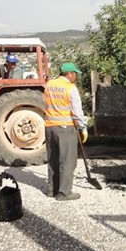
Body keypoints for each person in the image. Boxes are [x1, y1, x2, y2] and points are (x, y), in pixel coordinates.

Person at [43, 62, 88, 201]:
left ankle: (52, 190)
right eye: (74, 74)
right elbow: (76, 112)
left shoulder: (49, 85)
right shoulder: (70, 88)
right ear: (69, 74)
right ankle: (64, 193)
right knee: (67, 161)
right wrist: (83, 128)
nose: (75, 77)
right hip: (65, 128)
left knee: (53, 160)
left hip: (50, 127)